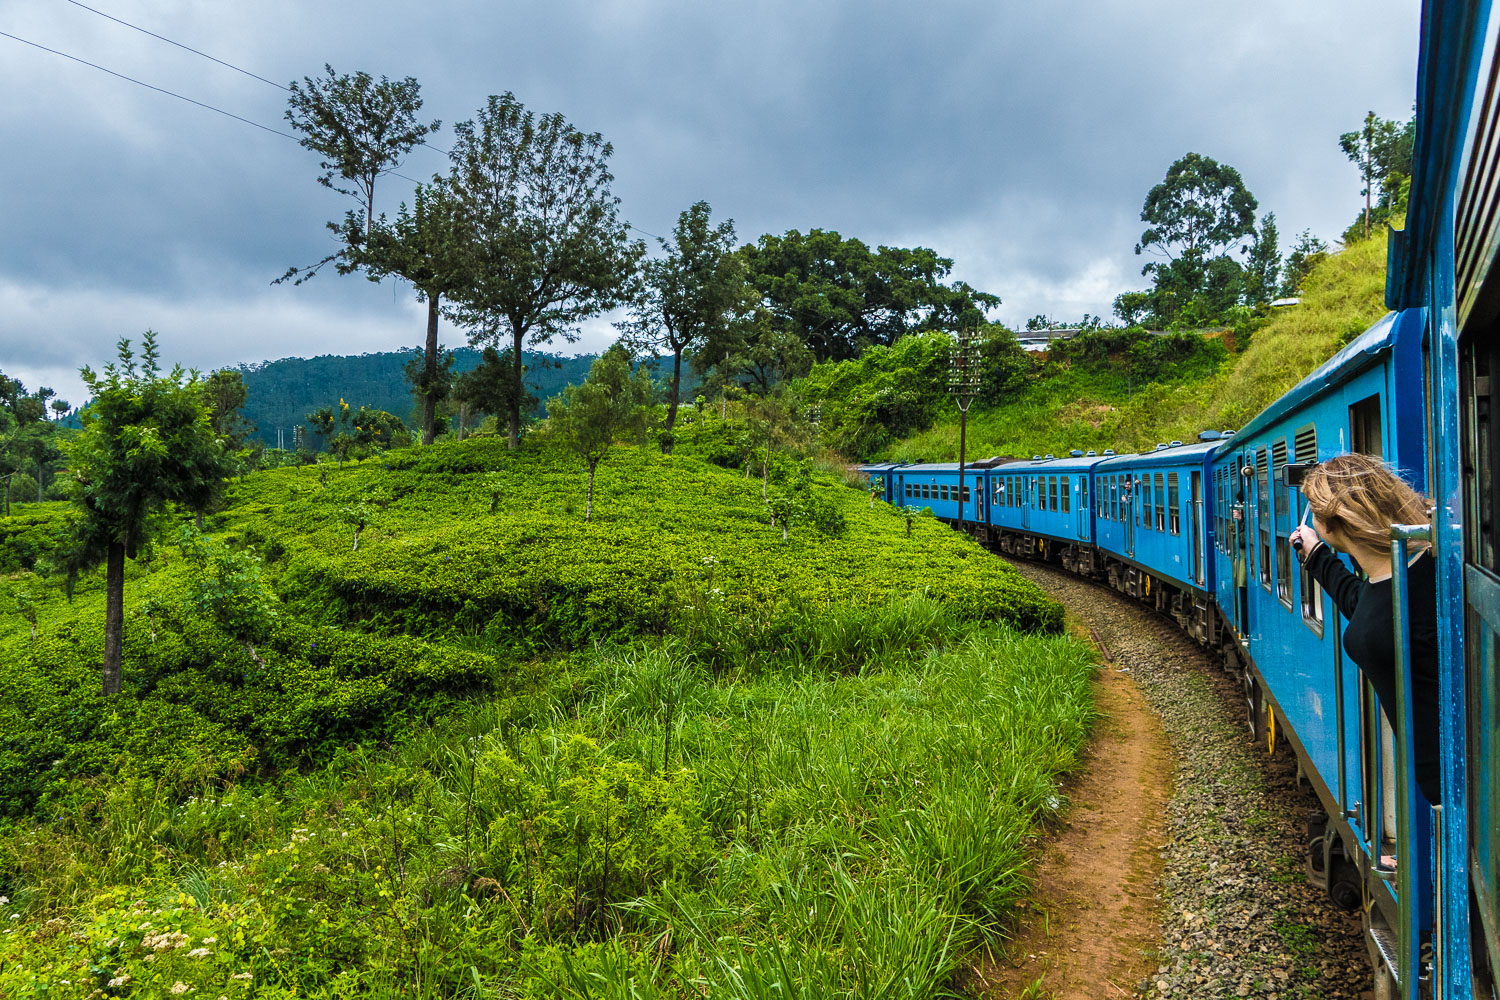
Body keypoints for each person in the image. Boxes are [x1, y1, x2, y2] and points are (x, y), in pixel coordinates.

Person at [1289, 453, 1441, 806]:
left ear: (1331, 519)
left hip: (1456, 791)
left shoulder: (1404, 596)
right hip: (1451, 783)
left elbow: (1373, 621)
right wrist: (1316, 557)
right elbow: (1367, 605)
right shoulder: (1407, 573)